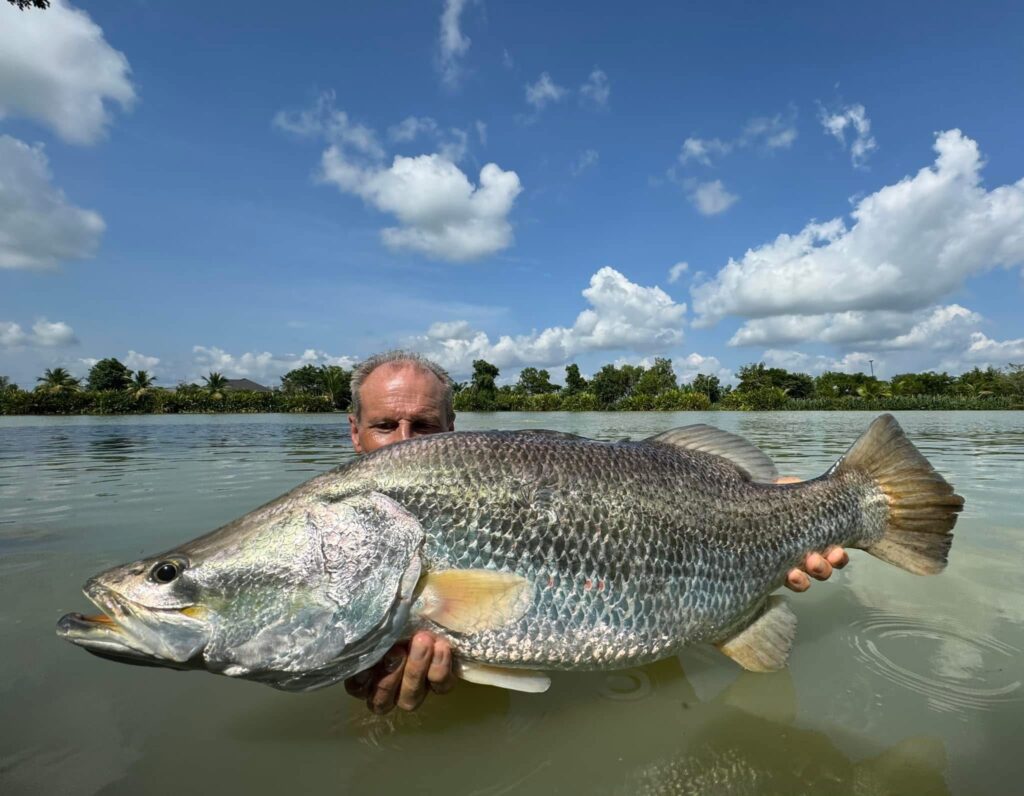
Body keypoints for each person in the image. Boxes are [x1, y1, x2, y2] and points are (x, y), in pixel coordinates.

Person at [343, 350, 849, 714]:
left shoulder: (495, 476)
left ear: (452, 428)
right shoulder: (329, 523)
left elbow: (612, 483)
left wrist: (787, 504)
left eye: (425, 425)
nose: (403, 441)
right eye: (385, 425)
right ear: (354, 431)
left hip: (655, 690)